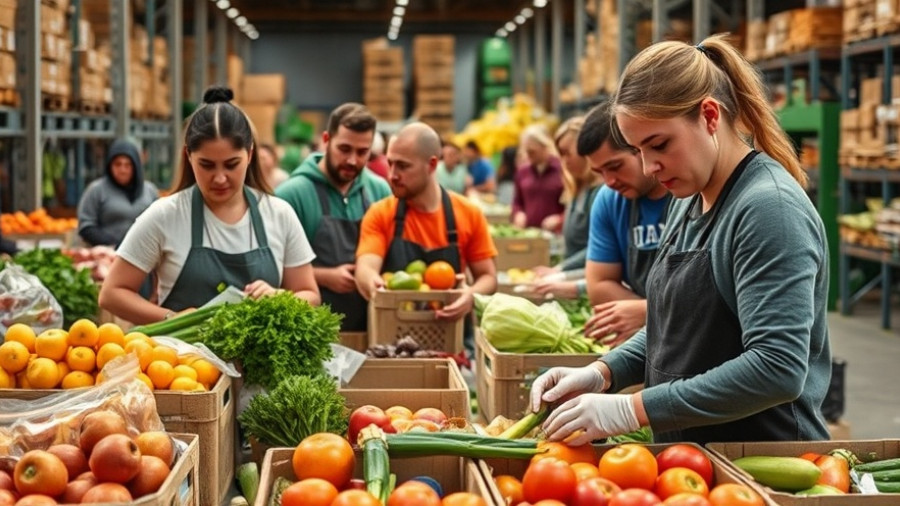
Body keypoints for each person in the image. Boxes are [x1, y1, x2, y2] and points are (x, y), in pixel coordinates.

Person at [530, 35, 831, 445]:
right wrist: (604, 372)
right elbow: (673, 326)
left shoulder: (767, 211)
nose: (651, 167)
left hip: (762, 462)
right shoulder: (687, 200)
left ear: (710, 116)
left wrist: (632, 409)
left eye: (659, 145)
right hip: (694, 458)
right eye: (639, 150)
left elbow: (777, 367)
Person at [99, 86, 320, 324]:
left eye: (231, 164)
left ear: (250, 154)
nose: (220, 178)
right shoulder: (165, 215)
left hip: (262, 361)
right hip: (181, 360)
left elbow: (310, 294)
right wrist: (174, 319)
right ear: (188, 156)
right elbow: (112, 294)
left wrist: (279, 298)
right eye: (206, 165)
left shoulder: (279, 214)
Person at [355, 122, 498, 323]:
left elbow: (488, 277)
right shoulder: (380, 213)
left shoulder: (468, 213)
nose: (392, 175)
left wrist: (471, 295)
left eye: (403, 166)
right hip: (393, 340)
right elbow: (365, 268)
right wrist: (373, 284)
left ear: (431, 165)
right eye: (390, 163)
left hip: (450, 335)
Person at [275, 103, 391, 331]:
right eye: (344, 149)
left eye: (362, 152)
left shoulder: (380, 191)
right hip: (310, 333)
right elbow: (272, 270)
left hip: (371, 330)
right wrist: (325, 276)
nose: (352, 160)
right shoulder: (291, 195)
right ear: (326, 139)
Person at [573, 101, 671, 346]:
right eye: (599, 173)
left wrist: (649, 312)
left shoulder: (691, 194)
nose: (609, 181)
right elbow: (599, 284)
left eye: (615, 167)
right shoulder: (608, 201)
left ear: (640, 148)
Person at [532, 117, 604, 299]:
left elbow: (597, 249)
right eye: (560, 154)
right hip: (576, 281)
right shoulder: (577, 190)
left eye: (567, 153)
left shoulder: (599, 193)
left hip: (589, 287)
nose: (564, 161)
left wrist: (560, 271)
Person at [77, 137, 158, 247]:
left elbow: (160, 223)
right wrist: (114, 244)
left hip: (144, 255)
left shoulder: (150, 191)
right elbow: (86, 227)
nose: (122, 170)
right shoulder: (96, 190)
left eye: (128, 165)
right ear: (110, 166)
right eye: (117, 164)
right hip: (107, 254)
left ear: (136, 167)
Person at [512, 125, 565, 231]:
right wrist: (518, 213)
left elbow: (572, 206)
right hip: (529, 234)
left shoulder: (562, 170)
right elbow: (517, 201)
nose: (528, 156)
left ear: (545, 147)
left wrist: (560, 219)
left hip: (554, 235)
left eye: (532, 152)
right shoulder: (522, 172)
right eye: (526, 151)